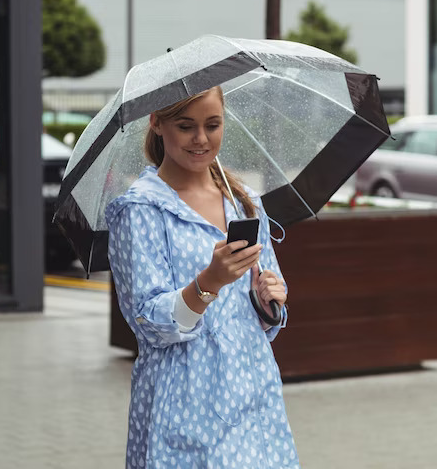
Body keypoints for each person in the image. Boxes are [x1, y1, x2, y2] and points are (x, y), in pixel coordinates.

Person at [105, 85, 300, 468]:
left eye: (213, 125)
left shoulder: (244, 202)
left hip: (252, 390)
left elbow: (268, 315)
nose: (201, 139)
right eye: (185, 126)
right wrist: (209, 281)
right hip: (183, 398)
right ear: (157, 124)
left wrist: (269, 300)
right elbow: (148, 324)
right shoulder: (141, 210)